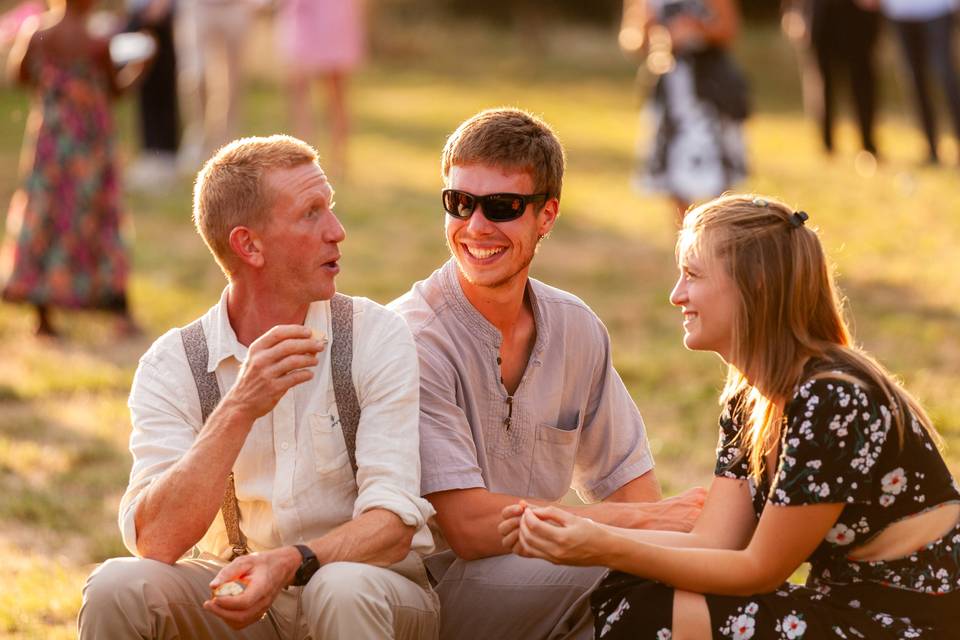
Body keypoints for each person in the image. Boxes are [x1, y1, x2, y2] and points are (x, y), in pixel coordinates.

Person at [502, 193, 960, 638]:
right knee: (632, 587)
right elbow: (714, 543)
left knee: (648, 609)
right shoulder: (750, 399)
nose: (675, 295)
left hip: (906, 623)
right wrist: (586, 531)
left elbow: (758, 569)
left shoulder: (832, 399)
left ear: (754, 284)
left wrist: (602, 546)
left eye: (692, 275)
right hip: (842, 607)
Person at [78, 135, 439, 639]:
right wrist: (240, 406)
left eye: (329, 208)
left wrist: (291, 563)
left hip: (373, 592)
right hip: (242, 603)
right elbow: (156, 542)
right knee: (120, 585)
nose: (337, 232)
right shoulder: (172, 365)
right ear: (249, 245)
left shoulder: (375, 336)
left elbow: (393, 523)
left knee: (341, 588)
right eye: (311, 214)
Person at [389, 107, 705, 640]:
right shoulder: (412, 339)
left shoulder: (576, 327)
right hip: (430, 586)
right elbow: (467, 528)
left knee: (695, 570)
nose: (476, 226)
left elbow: (635, 494)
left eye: (502, 207)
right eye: (459, 203)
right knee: (632, 579)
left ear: (547, 216)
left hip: (542, 571)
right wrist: (639, 528)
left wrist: (674, 533)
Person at [0, 0, 141, 338]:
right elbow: (115, 90)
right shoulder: (97, 42)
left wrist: (54, 86)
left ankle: (42, 315)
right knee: (95, 215)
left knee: (46, 214)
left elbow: (17, 76)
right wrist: (140, 68)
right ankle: (116, 307)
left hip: (51, 141)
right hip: (89, 144)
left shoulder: (37, 34)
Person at [619, 0, 748, 223]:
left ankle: (719, 236)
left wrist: (698, 29)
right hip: (670, 86)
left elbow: (730, 30)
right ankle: (686, 243)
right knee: (673, 169)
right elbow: (631, 41)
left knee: (717, 168)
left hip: (710, 86)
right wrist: (647, 30)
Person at [276, 0, 365, 181]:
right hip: (302, 13)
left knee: (335, 91)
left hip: (334, 14)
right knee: (299, 89)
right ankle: (301, 158)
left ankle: (338, 159)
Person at [782, 0, 881, 157]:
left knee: (862, 82)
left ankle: (868, 145)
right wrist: (795, 11)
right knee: (822, 83)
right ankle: (827, 145)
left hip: (857, 15)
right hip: (822, 14)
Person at [880, 0, 960, 165]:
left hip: (937, 8)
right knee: (914, 80)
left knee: (944, 76)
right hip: (900, 10)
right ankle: (931, 148)